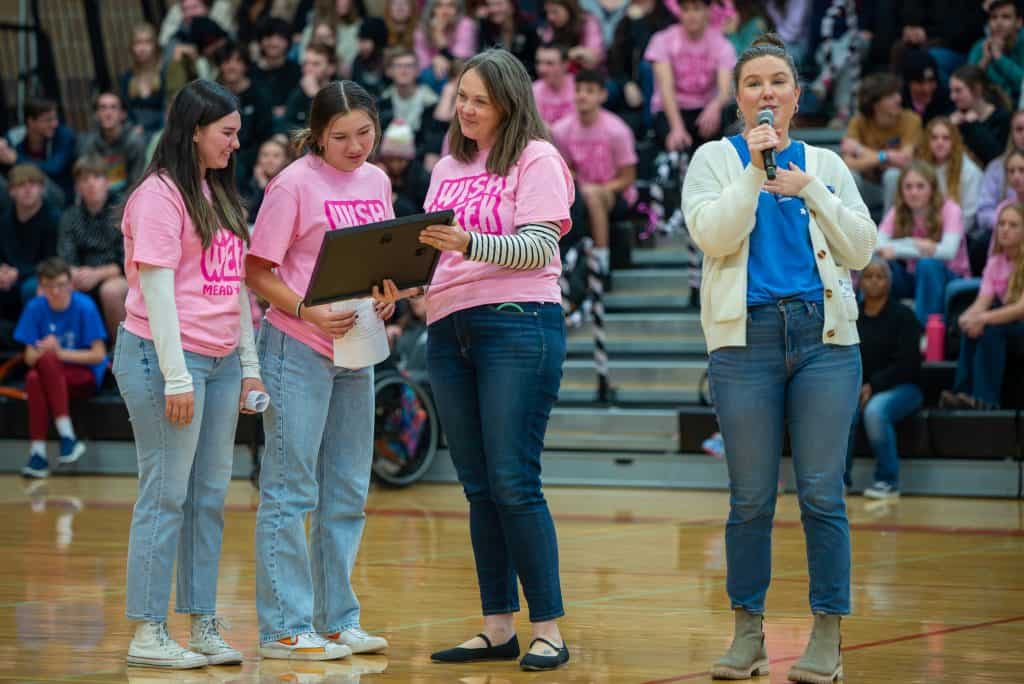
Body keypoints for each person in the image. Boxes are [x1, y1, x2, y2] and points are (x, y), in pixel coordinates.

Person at [682, 33, 876, 683]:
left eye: (778, 82)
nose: (767, 93)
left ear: (797, 94)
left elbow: (861, 251)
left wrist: (810, 191)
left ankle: (826, 634)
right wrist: (753, 172)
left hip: (823, 341)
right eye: (754, 83)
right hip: (745, 344)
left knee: (822, 494)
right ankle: (747, 632)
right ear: (739, 99)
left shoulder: (824, 163)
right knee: (750, 499)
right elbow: (714, 234)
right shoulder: (713, 159)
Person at [384, 48, 575, 672]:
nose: (466, 109)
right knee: (477, 486)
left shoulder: (538, 157)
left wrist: (469, 240)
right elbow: (437, 259)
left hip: (519, 323)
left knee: (515, 481)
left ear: (509, 103)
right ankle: (498, 627)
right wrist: (401, 286)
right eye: (461, 96)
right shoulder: (445, 167)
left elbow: (536, 247)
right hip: (448, 327)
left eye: (479, 100)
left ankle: (547, 626)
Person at [116, 79, 263, 669]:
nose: (235, 143)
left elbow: (235, 289)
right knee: (166, 494)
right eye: (226, 132)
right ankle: (148, 632)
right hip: (163, 359)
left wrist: (249, 367)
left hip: (223, 364)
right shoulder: (158, 196)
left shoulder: (217, 191)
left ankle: (202, 621)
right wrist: (178, 378)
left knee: (208, 496)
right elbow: (155, 290)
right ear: (194, 130)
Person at [245, 80, 393, 660]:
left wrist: (388, 292)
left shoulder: (378, 180)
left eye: (365, 133)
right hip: (297, 347)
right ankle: (285, 626)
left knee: (350, 488)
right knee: (290, 488)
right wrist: (305, 307)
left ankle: (336, 620)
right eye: (341, 137)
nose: (356, 146)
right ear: (317, 133)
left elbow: (378, 254)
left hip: (358, 345)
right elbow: (258, 271)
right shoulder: (292, 185)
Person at [15, 257, 107, 479]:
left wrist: (57, 352)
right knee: (35, 378)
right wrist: (45, 350)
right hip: (51, 376)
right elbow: (29, 358)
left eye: (61, 285)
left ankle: (41, 455)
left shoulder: (85, 306)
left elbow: (99, 355)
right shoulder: (35, 307)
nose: (56, 291)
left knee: (44, 366)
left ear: (71, 284)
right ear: (40, 287)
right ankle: (58, 442)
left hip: (82, 375)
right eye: (49, 286)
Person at [844, 257, 922, 500]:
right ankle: (839, 481)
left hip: (904, 388)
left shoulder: (904, 316)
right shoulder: (852, 318)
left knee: (875, 412)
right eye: (868, 276)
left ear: (889, 282)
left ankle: (888, 481)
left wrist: (874, 386)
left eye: (880, 276)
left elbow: (908, 364)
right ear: (860, 282)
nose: (874, 281)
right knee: (843, 411)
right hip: (861, 388)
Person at [551, 69, 637, 284]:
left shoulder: (617, 130)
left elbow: (628, 177)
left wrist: (597, 189)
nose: (582, 95)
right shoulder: (561, 129)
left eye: (589, 91)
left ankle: (601, 264)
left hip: (615, 193)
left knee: (592, 196)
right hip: (578, 191)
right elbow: (564, 168)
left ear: (602, 95)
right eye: (578, 90)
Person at [941, 202, 1024, 409]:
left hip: (1018, 323)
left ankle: (986, 400)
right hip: (1010, 325)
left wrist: (982, 319)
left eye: (1013, 225)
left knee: (990, 329)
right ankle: (962, 394)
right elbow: (982, 301)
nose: (1005, 229)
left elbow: (1020, 308)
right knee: (972, 329)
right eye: (1002, 224)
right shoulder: (996, 261)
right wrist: (966, 319)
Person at [877, 161, 971, 325]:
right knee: (880, 265)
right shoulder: (899, 210)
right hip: (914, 276)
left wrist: (898, 248)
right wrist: (916, 244)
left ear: (932, 189)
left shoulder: (950, 209)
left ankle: (924, 329)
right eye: (908, 187)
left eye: (920, 186)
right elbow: (878, 245)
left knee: (927, 264)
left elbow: (948, 251)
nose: (913, 192)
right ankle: (876, 325)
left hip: (950, 275)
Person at [645, 0, 736, 153]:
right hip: (671, 109)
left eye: (697, 9)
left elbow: (725, 91)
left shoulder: (722, 45)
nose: (691, 15)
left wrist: (714, 106)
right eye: (686, 9)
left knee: (713, 143)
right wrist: (676, 127)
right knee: (675, 143)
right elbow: (665, 90)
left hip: (705, 110)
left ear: (708, 11)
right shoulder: (662, 40)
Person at [58, 157, 128, 342]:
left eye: (96, 177)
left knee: (110, 291)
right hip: (81, 274)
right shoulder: (70, 216)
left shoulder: (122, 212)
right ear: (77, 187)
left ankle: (121, 353)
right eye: (84, 179)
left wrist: (97, 274)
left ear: (107, 182)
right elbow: (66, 257)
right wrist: (75, 274)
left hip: (119, 274)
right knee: (57, 287)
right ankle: (76, 351)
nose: (91, 184)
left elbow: (127, 260)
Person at [841, 72, 921, 221]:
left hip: (900, 191)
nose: (899, 99)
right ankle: (852, 227)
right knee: (851, 176)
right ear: (876, 103)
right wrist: (886, 156)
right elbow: (847, 163)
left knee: (893, 175)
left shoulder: (910, 119)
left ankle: (888, 231)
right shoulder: (859, 122)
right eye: (891, 96)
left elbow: (905, 160)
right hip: (867, 189)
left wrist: (860, 150)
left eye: (897, 94)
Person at [214, 41, 275, 185]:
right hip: (218, 153)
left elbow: (265, 133)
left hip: (250, 157)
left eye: (238, 61)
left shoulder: (259, 95)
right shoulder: (213, 95)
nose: (232, 66)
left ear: (245, 65)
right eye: (227, 61)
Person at [0, 164, 60, 309]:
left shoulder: (54, 220)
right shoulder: (4, 220)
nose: (27, 189)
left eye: (33, 184)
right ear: (11, 191)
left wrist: (17, 273)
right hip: (10, 274)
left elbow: (52, 261)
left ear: (42, 189)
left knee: (31, 287)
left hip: (40, 274)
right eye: (21, 185)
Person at [916, 116, 983, 235]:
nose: (939, 142)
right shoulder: (921, 166)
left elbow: (969, 216)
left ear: (954, 142)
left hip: (959, 235)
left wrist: (946, 236)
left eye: (946, 138)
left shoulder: (969, 171)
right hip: (924, 231)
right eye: (934, 138)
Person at [77, 92, 148, 196]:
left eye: (113, 107)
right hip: (98, 199)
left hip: (127, 199)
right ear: (97, 114)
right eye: (103, 108)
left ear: (123, 114)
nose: (108, 113)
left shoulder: (134, 141)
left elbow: (136, 183)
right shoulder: (88, 143)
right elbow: (84, 181)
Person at [11, 97, 77, 207]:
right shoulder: (15, 137)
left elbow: (54, 167)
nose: (55, 124)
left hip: (59, 198)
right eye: (48, 120)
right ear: (31, 122)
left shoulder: (64, 135)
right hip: (25, 195)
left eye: (55, 118)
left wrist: (16, 159)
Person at [949, 65, 1011, 168]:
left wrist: (974, 126)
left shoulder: (1003, 118)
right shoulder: (955, 118)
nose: (952, 97)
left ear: (977, 89)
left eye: (958, 90)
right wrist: (949, 128)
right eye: (951, 91)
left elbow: (997, 158)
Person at [967, 0, 1024, 107]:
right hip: (991, 109)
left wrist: (999, 58)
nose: (999, 23)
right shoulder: (979, 47)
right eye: (994, 17)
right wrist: (985, 60)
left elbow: (1022, 84)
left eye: (1006, 17)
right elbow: (967, 86)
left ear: (1019, 22)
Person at [977, 109, 1024, 236]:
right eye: (1019, 129)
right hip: (1003, 233)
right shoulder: (996, 167)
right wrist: (1010, 224)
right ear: (1012, 133)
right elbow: (983, 213)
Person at [414, 0, 479, 91]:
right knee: (429, 75)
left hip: (460, 72)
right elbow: (421, 65)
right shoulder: (422, 29)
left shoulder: (466, 24)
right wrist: (435, 61)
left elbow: (459, 64)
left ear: (458, 9)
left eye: (451, 6)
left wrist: (438, 34)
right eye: (439, 6)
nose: (445, 11)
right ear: (432, 9)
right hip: (431, 76)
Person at [280, 42, 338, 134]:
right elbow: (286, 124)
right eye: (305, 63)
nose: (308, 69)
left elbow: (330, 128)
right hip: (302, 142)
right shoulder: (300, 88)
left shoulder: (340, 91)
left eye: (315, 64)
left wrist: (314, 96)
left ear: (331, 68)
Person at [251, 17, 303, 119]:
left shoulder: (297, 71)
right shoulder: (249, 71)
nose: (274, 43)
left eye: (280, 38)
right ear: (260, 41)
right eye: (269, 37)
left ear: (288, 42)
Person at [120, 23, 166, 136]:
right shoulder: (127, 77)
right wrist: (133, 127)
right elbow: (126, 111)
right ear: (132, 48)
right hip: (134, 131)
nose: (142, 48)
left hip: (161, 130)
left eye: (147, 42)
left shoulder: (164, 74)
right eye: (137, 43)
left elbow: (167, 110)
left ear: (155, 46)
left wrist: (146, 128)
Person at [539, 0, 605, 68]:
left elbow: (594, 57)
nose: (550, 17)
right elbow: (544, 50)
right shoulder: (551, 27)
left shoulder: (587, 22)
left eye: (555, 12)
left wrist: (574, 53)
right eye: (547, 12)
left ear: (569, 9)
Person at [900, 48, 955, 126]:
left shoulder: (948, 99)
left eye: (931, 81)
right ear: (908, 83)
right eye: (920, 82)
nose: (927, 88)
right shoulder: (899, 102)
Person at [532, 43, 576, 128]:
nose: (542, 69)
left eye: (549, 63)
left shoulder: (578, 87)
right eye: (539, 62)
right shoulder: (534, 90)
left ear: (565, 64)